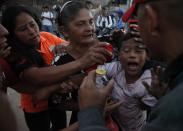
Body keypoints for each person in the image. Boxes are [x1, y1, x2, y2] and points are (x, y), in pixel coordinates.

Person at [77, 0, 183, 131]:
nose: (132, 55)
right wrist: (163, 99)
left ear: (152, 20)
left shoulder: (182, 106)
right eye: (126, 50)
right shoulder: (181, 87)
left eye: (137, 22)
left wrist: (91, 112)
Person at [2, 3, 110, 131]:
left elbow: (70, 45)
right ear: (11, 33)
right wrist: (82, 63)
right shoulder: (12, 54)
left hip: (57, 101)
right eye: (23, 29)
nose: (32, 31)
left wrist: (64, 47)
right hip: (36, 105)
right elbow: (36, 76)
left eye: (32, 24)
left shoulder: (46, 37)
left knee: (60, 125)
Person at [52, 0, 113, 125]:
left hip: (121, 117)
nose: (90, 28)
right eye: (80, 24)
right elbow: (57, 102)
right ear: (64, 31)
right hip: (85, 121)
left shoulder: (109, 45)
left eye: (91, 22)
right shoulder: (61, 62)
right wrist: (91, 107)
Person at [97, 32, 157, 131]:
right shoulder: (116, 68)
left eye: (138, 51)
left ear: (147, 56)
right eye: (126, 50)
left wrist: (145, 99)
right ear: (118, 54)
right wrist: (104, 86)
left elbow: (148, 107)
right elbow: (100, 70)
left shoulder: (149, 81)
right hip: (114, 122)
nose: (132, 55)